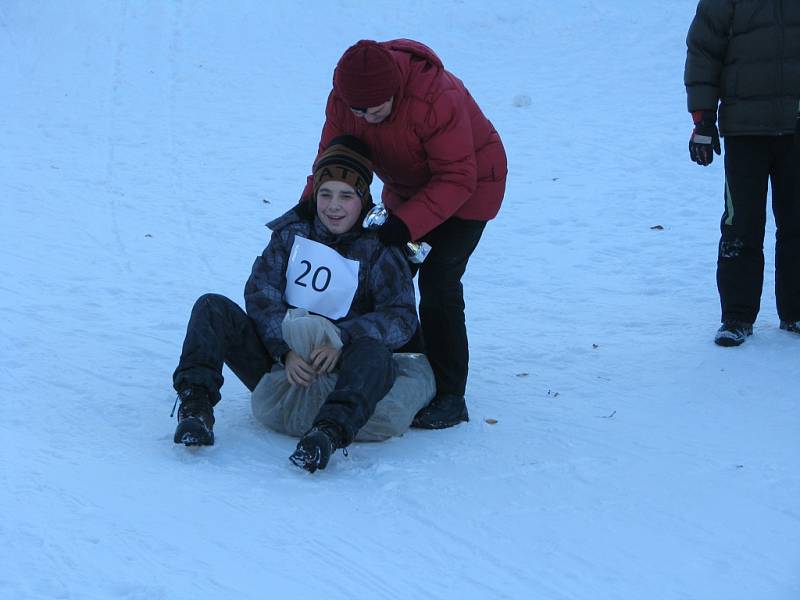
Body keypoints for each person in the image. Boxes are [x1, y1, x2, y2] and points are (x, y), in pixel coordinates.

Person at [172, 135, 420, 472]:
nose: (334, 206)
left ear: (363, 199)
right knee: (211, 307)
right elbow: (261, 293)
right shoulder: (293, 234)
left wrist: (342, 340)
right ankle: (196, 409)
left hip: (345, 365)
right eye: (326, 194)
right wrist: (283, 351)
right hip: (282, 362)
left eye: (346, 196)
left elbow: (401, 317)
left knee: (375, 354)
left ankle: (328, 432)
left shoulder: (378, 248)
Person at [301, 39, 507, 429]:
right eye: (357, 111)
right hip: (410, 186)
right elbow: (333, 159)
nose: (365, 118)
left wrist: (405, 225)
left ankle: (450, 395)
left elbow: (458, 177)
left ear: (394, 91)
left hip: (472, 188)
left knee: (438, 281)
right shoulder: (346, 101)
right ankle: (399, 363)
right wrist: (309, 206)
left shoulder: (435, 96)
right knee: (380, 271)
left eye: (374, 111)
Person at [684, 0, 800, 347]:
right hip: (745, 130)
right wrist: (703, 119)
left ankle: (795, 311)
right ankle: (736, 316)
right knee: (741, 224)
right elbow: (704, 48)